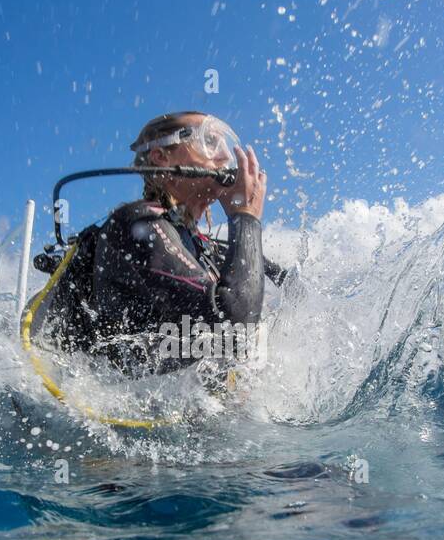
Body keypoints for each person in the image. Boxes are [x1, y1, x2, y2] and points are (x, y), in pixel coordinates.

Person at [26, 111, 268, 377]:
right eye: (209, 142)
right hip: (101, 410)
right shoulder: (136, 224)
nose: (224, 156)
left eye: (224, 145)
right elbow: (234, 329)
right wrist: (245, 216)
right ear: (162, 158)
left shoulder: (201, 245)